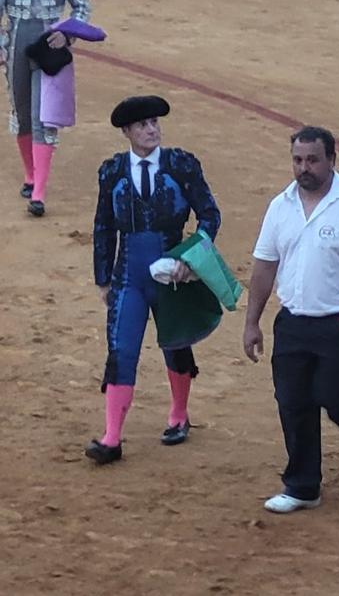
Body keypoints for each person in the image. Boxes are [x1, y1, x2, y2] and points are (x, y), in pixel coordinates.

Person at [242, 126, 339, 513]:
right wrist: (252, 321)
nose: (304, 168)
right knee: (292, 403)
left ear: (331, 161)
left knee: (335, 395)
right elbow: (264, 266)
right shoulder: (280, 206)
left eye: (312, 160)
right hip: (292, 321)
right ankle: (303, 486)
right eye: (298, 160)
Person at [87, 96, 221, 465]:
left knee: (175, 345)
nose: (151, 129)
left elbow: (209, 216)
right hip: (127, 277)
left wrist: (189, 258)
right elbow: (103, 226)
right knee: (121, 349)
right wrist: (103, 279)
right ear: (127, 132)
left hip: (172, 275)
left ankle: (178, 415)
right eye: (143, 125)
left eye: (155, 123)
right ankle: (112, 437)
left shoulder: (181, 165)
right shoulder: (112, 172)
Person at [0, 0, 91, 217]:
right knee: (22, 111)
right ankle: (29, 174)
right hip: (17, 43)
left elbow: (81, 7)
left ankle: (39, 191)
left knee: (44, 114)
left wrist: (66, 36)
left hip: (50, 42)